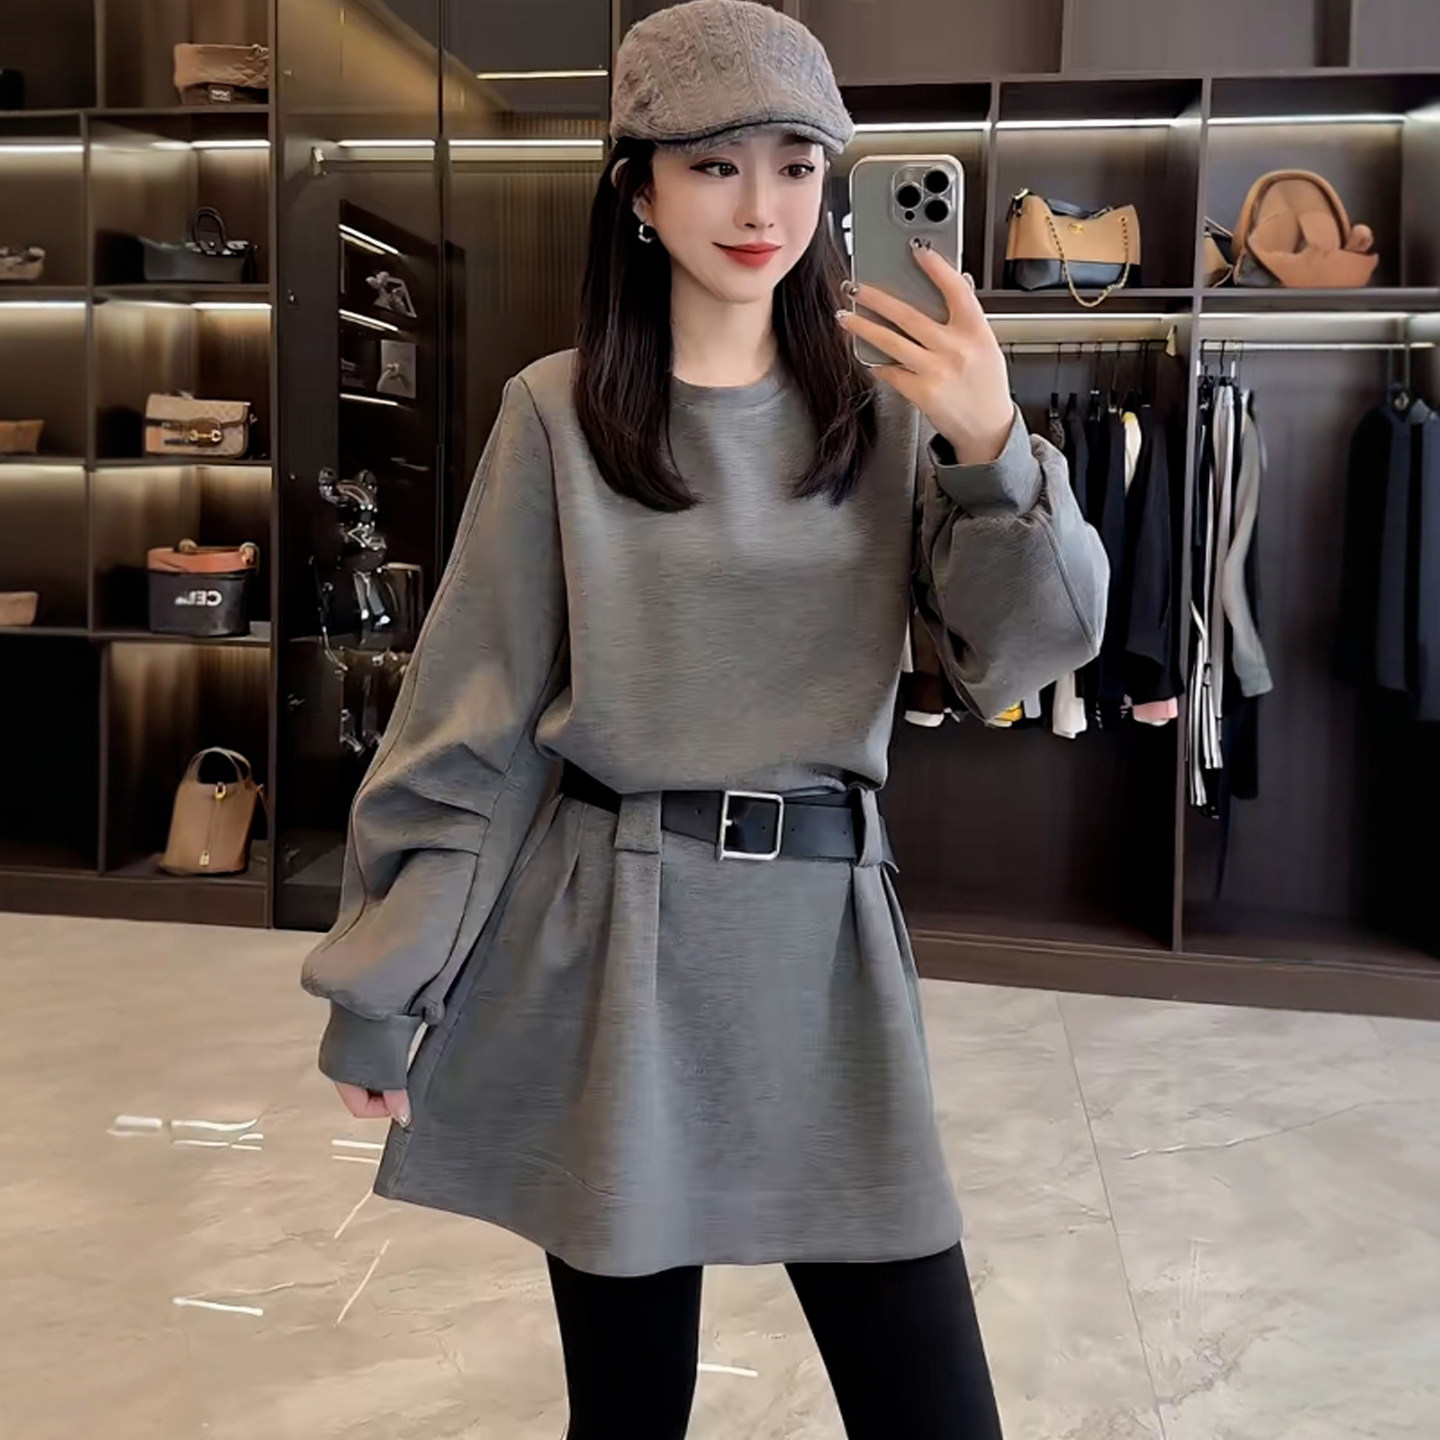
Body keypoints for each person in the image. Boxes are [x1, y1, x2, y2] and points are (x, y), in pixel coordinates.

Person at [300, 1, 1108, 1434]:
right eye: (714, 164)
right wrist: (383, 985)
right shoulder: (557, 414)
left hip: (823, 945)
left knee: (933, 1405)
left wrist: (996, 450)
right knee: (630, 1414)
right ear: (639, 189)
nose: (761, 207)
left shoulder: (894, 408)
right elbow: (475, 719)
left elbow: (1025, 650)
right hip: (613, 948)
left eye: (797, 165)